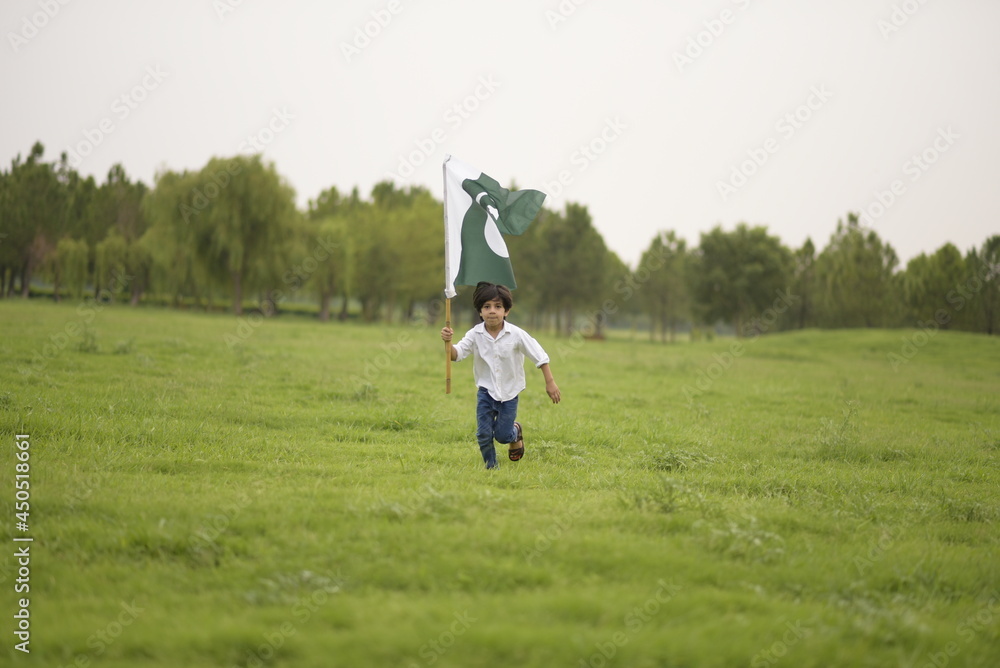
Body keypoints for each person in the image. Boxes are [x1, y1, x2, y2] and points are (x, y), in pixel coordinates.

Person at [440, 282, 561, 469]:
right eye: (486, 307)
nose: (492, 311)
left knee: (502, 436)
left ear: (506, 311)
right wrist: (448, 343)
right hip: (486, 392)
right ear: (480, 311)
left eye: (497, 307)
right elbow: (457, 355)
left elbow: (540, 356)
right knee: (483, 434)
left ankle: (515, 431)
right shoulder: (475, 334)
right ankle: (491, 467)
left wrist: (550, 383)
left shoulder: (517, 334)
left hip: (510, 393)